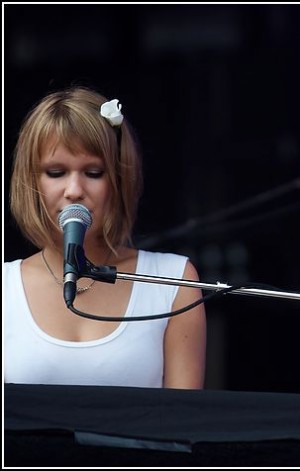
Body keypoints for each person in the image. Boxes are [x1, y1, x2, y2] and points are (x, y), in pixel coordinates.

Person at [3, 86, 207, 389]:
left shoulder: (172, 281)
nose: (74, 190)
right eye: (56, 172)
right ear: (31, 182)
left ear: (119, 180)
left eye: (94, 173)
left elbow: (184, 425)